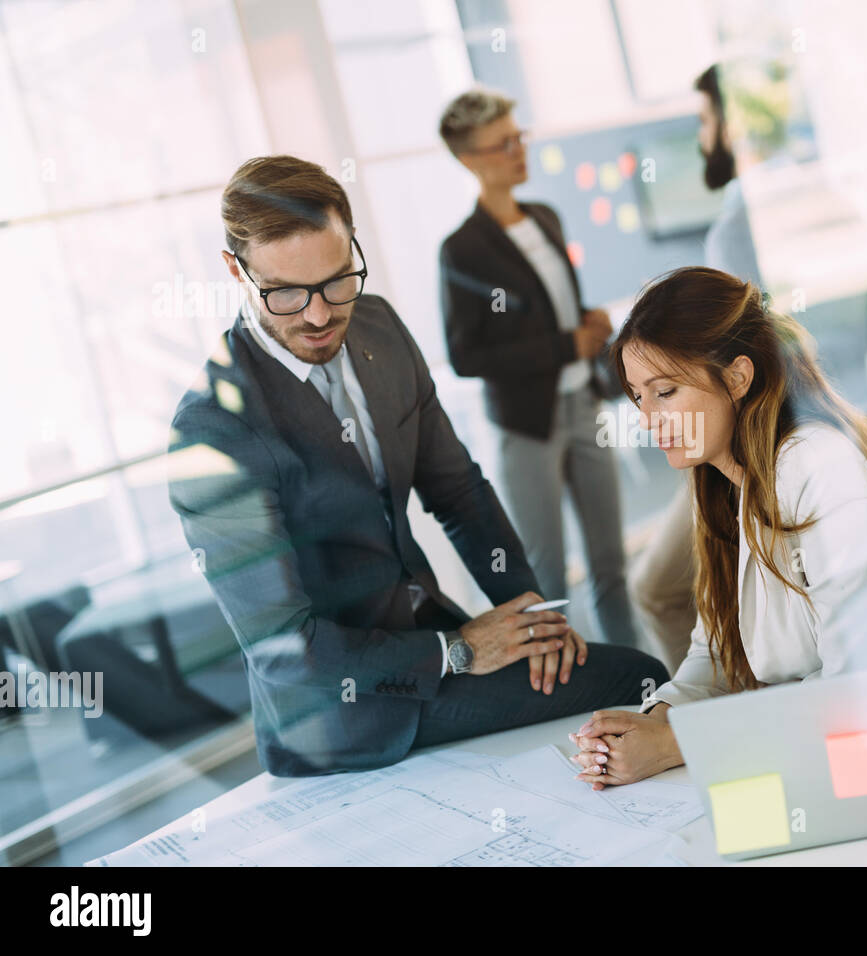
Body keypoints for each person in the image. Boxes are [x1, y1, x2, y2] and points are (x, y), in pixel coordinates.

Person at [167, 155, 667, 777]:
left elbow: (457, 492)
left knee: (632, 681)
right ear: (234, 270)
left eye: (336, 280)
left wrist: (530, 613)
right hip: (341, 714)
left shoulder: (378, 326)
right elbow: (284, 651)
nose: (320, 315)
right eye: (287, 294)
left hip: (433, 639)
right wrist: (456, 652)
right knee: (636, 678)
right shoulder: (213, 430)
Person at [568, 267, 867, 788]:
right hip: (819, 752)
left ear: (736, 378)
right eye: (640, 398)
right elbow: (714, 651)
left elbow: (860, 688)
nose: (648, 419)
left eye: (665, 391)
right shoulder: (724, 481)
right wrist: (658, 721)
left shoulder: (821, 468)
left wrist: (678, 742)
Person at [438, 88, 641, 650]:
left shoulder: (546, 217)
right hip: (529, 426)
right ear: (469, 159)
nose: (517, 150)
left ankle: (642, 680)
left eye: (518, 136)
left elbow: (541, 311)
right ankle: (569, 693)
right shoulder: (462, 250)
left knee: (611, 566)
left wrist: (586, 323)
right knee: (547, 580)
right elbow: (466, 355)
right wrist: (564, 342)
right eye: (502, 144)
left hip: (586, 406)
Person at [629, 64, 765, 672]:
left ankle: (736, 701)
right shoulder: (755, 211)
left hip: (749, 432)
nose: (701, 136)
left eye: (706, 119)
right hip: (734, 437)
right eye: (640, 397)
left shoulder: (739, 225)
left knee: (656, 587)